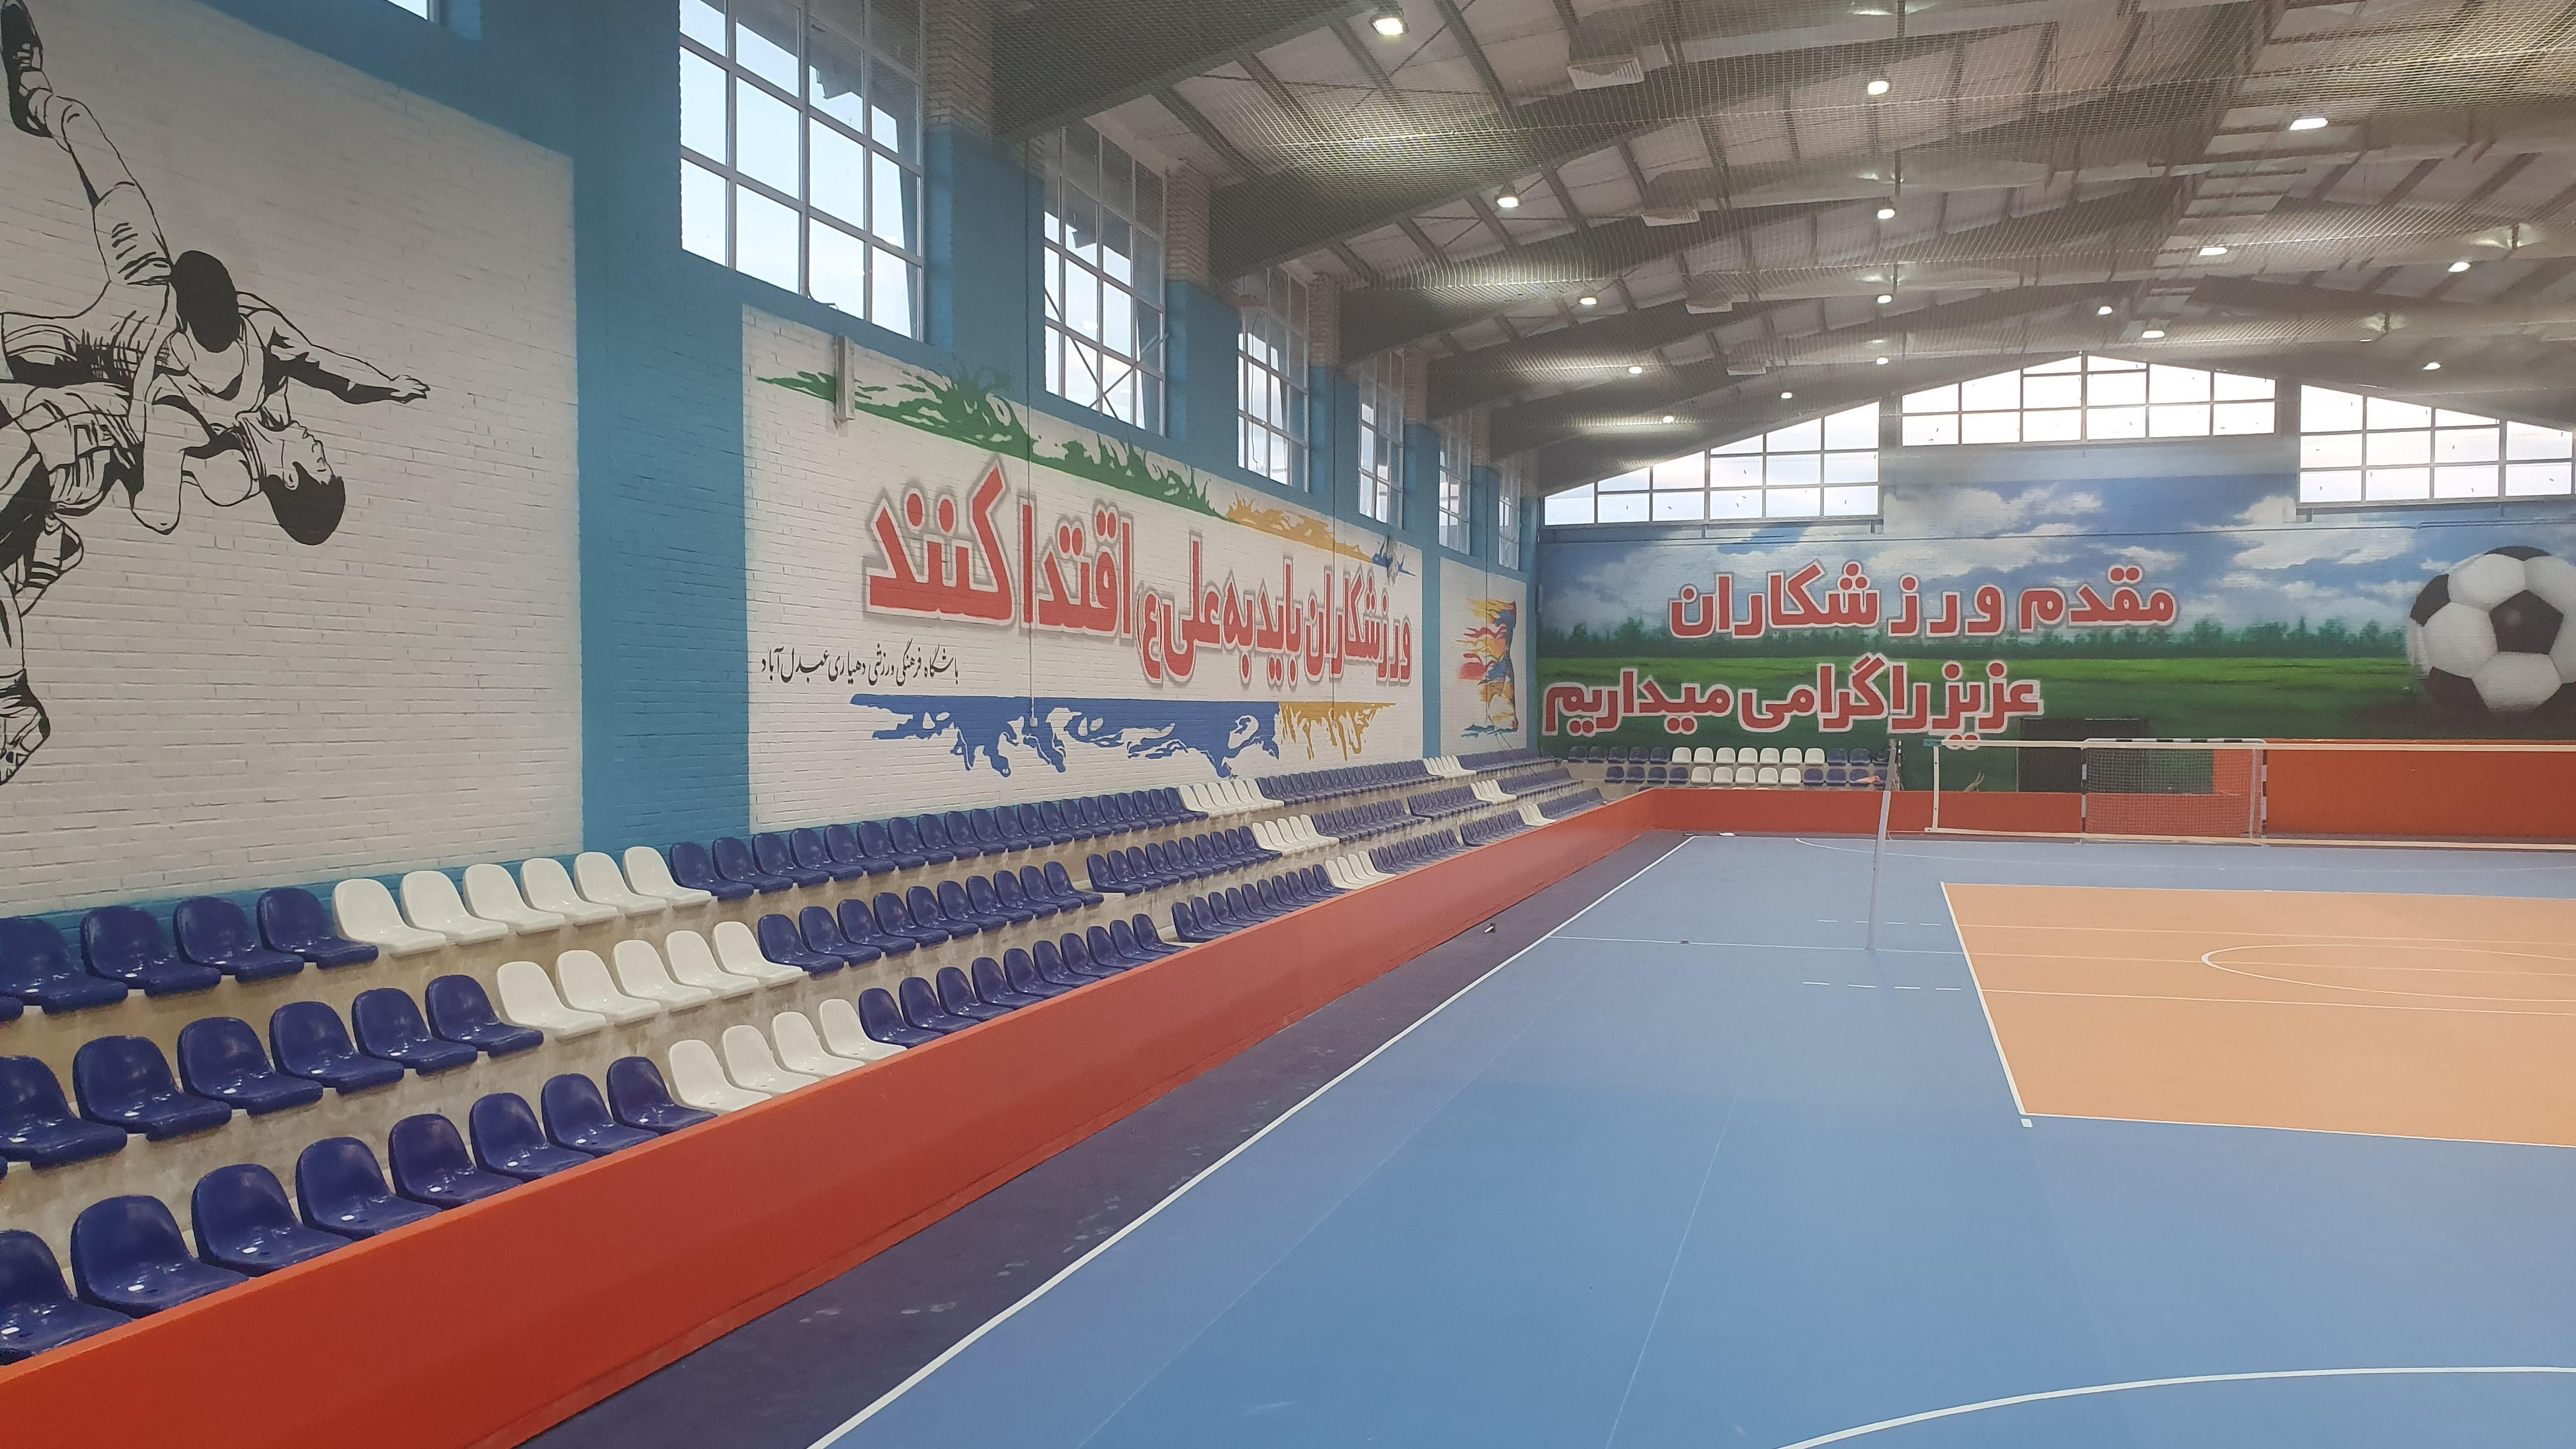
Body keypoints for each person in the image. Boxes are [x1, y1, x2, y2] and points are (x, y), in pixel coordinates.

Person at [0, 0, 427, 783]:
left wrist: (156, 418)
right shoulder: (265, 347)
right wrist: (389, 386)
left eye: (318, 460)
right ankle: (33, 94)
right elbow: (331, 367)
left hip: (103, 358)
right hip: (143, 287)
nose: (319, 445)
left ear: (289, 479)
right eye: (327, 452)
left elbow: (156, 507)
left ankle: (31, 597)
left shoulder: (233, 475)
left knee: (21, 401)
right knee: (96, 150)